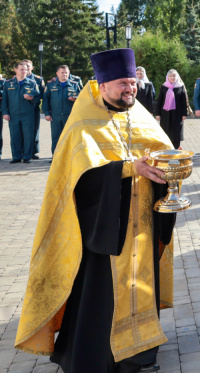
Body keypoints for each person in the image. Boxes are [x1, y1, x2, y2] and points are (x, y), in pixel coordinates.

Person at [14, 48, 177, 373]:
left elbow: (162, 150)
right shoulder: (82, 125)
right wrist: (130, 169)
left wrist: (171, 167)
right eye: (122, 84)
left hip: (141, 225)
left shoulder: (140, 115)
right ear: (102, 86)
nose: (129, 89)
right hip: (104, 229)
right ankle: (103, 356)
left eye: (132, 83)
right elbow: (81, 181)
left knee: (142, 284)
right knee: (103, 296)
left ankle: (142, 354)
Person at [2, 61, 41, 164]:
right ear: (16, 70)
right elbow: (4, 100)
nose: (24, 71)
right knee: (15, 136)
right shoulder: (8, 83)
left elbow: (38, 99)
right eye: (21, 69)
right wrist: (5, 112)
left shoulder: (32, 83)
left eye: (25, 69)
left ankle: (27, 157)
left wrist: (31, 98)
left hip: (27, 114)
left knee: (28, 136)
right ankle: (16, 156)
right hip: (13, 114)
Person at [42, 65, 81, 155]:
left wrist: (76, 98)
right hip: (55, 116)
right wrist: (47, 113)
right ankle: (56, 158)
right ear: (57, 74)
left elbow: (82, 98)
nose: (64, 74)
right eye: (62, 73)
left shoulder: (75, 84)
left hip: (70, 116)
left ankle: (70, 158)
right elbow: (46, 100)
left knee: (70, 138)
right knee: (56, 138)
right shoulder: (51, 85)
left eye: (66, 73)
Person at [155, 69, 189, 149]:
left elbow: (184, 101)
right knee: (166, 131)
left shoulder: (180, 86)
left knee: (176, 132)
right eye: (170, 76)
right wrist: (158, 114)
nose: (172, 77)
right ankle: (166, 150)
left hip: (177, 114)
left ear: (177, 77)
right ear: (168, 77)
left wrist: (184, 114)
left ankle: (176, 150)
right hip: (165, 114)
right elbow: (159, 101)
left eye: (174, 76)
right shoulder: (164, 87)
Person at [22, 59, 44, 159]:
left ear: (32, 67)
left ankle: (33, 151)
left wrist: (33, 99)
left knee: (35, 130)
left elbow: (43, 95)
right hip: (21, 109)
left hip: (34, 108)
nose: (26, 68)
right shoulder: (18, 78)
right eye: (24, 66)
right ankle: (23, 151)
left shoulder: (38, 79)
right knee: (22, 131)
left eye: (28, 66)